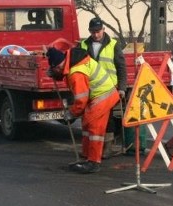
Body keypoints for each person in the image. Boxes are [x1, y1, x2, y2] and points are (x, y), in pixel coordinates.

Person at [46, 46, 120, 174]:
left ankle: (94, 162)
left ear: (58, 66)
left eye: (56, 70)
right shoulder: (74, 60)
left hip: (102, 97)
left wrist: (71, 113)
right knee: (87, 125)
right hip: (102, 95)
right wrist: (57, 75)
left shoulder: (76, 73)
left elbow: (81, 101)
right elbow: (65, 72)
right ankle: (86, 155)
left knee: (94, 128)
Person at [79, 17, 127, 157]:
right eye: (93, 32)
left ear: (103, 30)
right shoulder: (83, 45)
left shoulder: (113, 44)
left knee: (108, 118)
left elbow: (121, 67)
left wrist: (122, 87)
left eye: (98, 31)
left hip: (108, 89)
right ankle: (90, 149)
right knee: (88, 118)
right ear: (89, 31)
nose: (96, 34)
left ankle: (107, 146)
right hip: (89, 89)